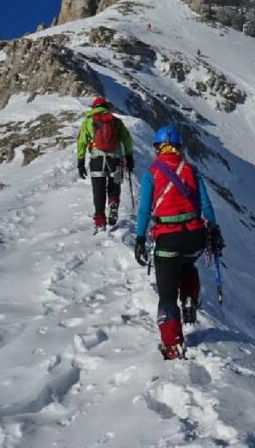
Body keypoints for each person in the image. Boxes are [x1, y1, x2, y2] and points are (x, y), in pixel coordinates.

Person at [134, 125, 224, 360]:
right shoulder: (192, 171)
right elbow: (205, 205)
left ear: (159, 147)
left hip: (168, 238)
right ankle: (190, 297)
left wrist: (140, 238)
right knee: (187, 265)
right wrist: (213, 230)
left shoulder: (151, 173)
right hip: (195, 237)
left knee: (166, 296)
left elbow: (144, 210)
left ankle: (172, 345)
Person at [76, 97, 134, 231]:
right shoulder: (116, 122)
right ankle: (113, 203)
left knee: (98, 191)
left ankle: (100, 221)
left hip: (97, 160)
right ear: (106, 107)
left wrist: (80, 162)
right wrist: (129, 157)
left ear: (94, 108)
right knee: (114, 187)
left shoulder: (88, 121)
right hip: (115, 160)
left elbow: (81, 143)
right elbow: (127, 140)